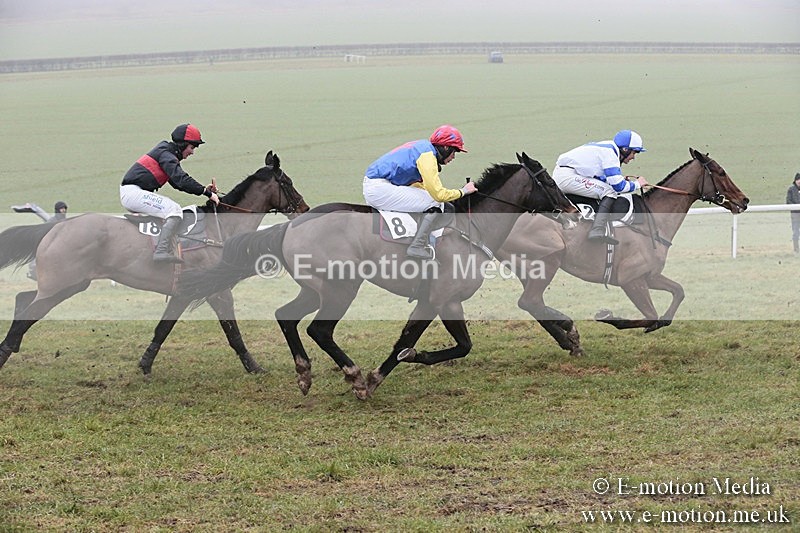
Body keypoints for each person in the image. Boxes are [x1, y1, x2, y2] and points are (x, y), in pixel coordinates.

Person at [362, 125, 478, 259]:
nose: (453, 157)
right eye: (454, 151)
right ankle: (417, 246)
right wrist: (463, 191)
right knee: (435, 202)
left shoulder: (424, 148)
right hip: (379, 188)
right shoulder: (427, 156)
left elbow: (421, 187)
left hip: (379, 185)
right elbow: (438, 195)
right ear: (446, 147)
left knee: (431, 200)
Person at [120, 123, 219, 263]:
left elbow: (178, 183)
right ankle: (161, 251)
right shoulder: (166, 155)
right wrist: (207, 193)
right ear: (183, 144)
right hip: (133, 193)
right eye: (192, 147)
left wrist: (204, 189)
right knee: (174, 210)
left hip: (134, 193)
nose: (192, 152)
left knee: (171, 209)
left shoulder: (168, 154)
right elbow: (181, 179)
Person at [552, 129, 649, 244]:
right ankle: (597, 230)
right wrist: (638, 184)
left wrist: (621, 181)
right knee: (609, 192)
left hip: (568, 174)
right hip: (567, 177)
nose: (633, 157)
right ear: (625, 150)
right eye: (634, 152)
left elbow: (600, 177)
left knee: (606, 188)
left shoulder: (609, 149)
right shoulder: (610, 155)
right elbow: (618, 187)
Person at [10, 201, 69, 280]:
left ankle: (33, 207)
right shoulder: (54, 221)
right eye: (62, 209)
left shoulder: (61, 220)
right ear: (57, 209)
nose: (64, 210)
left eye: (64, 208)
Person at [787, 172, 800, 255]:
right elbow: (788, 201)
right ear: (795, 180)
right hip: (795, 215)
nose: (799, 181)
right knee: (796, 232)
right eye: (798, 179)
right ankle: (796, 250)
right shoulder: (791, 189)